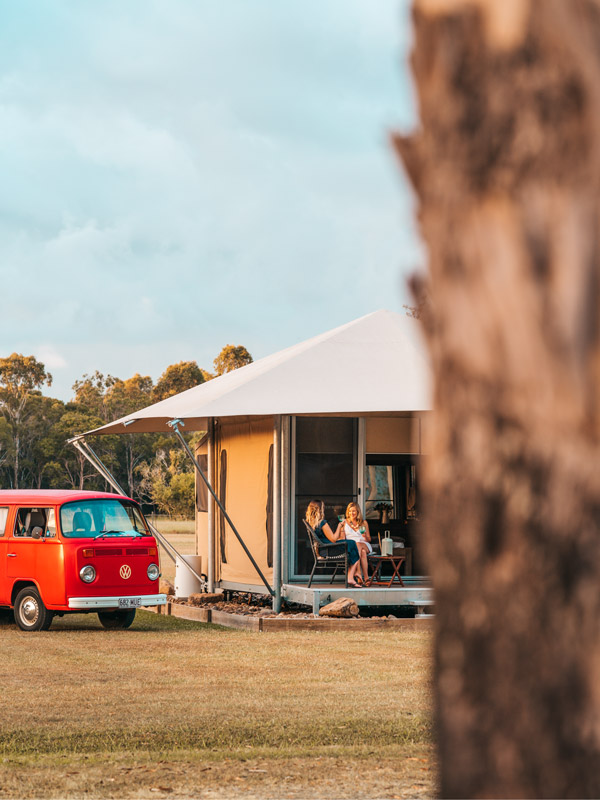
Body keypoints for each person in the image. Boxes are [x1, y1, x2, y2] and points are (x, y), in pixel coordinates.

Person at [305, 500, 362, 587]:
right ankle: (351, 576)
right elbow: (333, 539)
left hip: (323, 550)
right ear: (320, 509)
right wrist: (339, 526)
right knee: (353, 544)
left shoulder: (311, 523)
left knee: (351, 547)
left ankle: (353, 574)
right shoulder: (322, 523)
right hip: (329, 549)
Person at [342, 502, 372, 585]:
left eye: (354, 511)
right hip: (351, 546)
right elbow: (342, 538)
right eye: (350, 511)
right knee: (362, 552)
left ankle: (358, 571)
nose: (352, 513)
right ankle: (366, 578)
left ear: (358, 512)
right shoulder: (344, 523)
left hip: (364, 544)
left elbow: (369, 539)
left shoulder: (364, 523)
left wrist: (365, 536)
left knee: (358, 544)